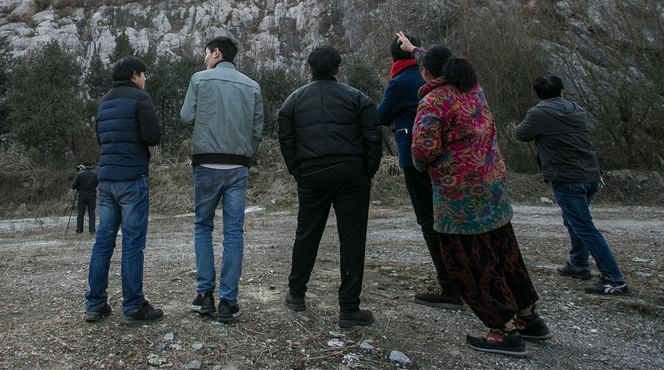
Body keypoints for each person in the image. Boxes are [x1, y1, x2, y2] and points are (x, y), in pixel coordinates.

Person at [399, 33, 551, 358]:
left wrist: (418, 164)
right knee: (504, 250)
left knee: (471, 261)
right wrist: (415, 51)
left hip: (459, 197)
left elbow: (423, 150)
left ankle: (503, 331)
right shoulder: (473, 89)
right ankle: (528, 317)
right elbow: (434, 60)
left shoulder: (433, 101)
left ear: (426, 72)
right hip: (493, 188)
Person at [278, 45, 383, 327]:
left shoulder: (293, 101)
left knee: (307, 233)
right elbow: (374, 136)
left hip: (312, 174)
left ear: (309, 69)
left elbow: (286, 140)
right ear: (338, 69)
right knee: (352, 238)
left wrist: (298, 171)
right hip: (352, 173)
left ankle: (296, 294)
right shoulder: (358, 98)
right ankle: (349, 308)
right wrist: (366, 171)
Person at [515, 75, 629, 296]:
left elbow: (520, 134)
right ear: (562, 92)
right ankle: (578, 264)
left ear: (538, 95)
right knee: (575, 221)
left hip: (567, 178)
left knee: (585, 227)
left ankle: (615, 280)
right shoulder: (577, 110)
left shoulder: (539, 113)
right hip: (591, 176)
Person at [180, 36, 263, 323]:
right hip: (238, 167)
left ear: (216, 53)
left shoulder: (200, 80)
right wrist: (244, 155)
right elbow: (257, 130)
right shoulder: (252, 86)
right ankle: (228, 302)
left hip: (205, 164)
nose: (204, 59)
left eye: (206, 54)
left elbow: (185, 115)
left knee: (203, 226)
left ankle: (205, 296)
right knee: (234, 233)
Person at [376, 33, 463, 310]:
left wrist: (394, 121)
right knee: (453, 218)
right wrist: (415, 48)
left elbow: (379, 115)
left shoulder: (401, 82)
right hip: (453, 162)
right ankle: (462, 277)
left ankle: (448, 285)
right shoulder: (459, 85)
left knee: (429, 220)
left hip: (417, 159)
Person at [84, 57, 164, 326]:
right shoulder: (141, 99)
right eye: (143, 75)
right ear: (134, 75)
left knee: (103, 242)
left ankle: (95, 305)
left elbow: (101, 139)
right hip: (132, 179)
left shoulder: (103, 102)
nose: (145, 80)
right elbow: (153, 137)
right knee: (132, 243)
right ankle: (133, 307)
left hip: (105, 180)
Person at [71, 164, 98, 235]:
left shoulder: (80, 174)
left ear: (84, 167)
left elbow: (73, 186)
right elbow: (98, 184)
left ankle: (79, 230)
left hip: (82, 196)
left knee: (80, 212)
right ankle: (92, 230)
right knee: (91, 212)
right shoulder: (95, 174)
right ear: (91, 166)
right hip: (92, 195)